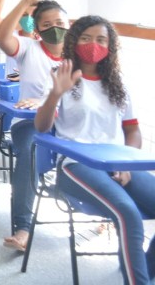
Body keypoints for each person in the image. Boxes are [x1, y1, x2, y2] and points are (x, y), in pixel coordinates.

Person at [35, 16, 155, 285]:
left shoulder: (118, 82)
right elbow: (42, 127)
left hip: (117, 164)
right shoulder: (60, 75)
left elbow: (132, 131)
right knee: (128, 213)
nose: (93, 45)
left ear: (110, 46)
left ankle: (144, 272)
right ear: (74, 40)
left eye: (101, 39)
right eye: (86, 38)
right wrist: (55, 94)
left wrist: (125, 163)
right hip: (76, 165)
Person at [0, 0, 68, 251]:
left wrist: (47, 101)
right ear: (37, 30)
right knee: (31, 152)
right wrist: (24, 1)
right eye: (46, 24)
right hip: (30, 125)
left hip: (69, 127)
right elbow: (2, 36)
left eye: (60, 21)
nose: (55, 27)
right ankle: (23, 228)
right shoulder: (29, 48)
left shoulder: (79, 57)